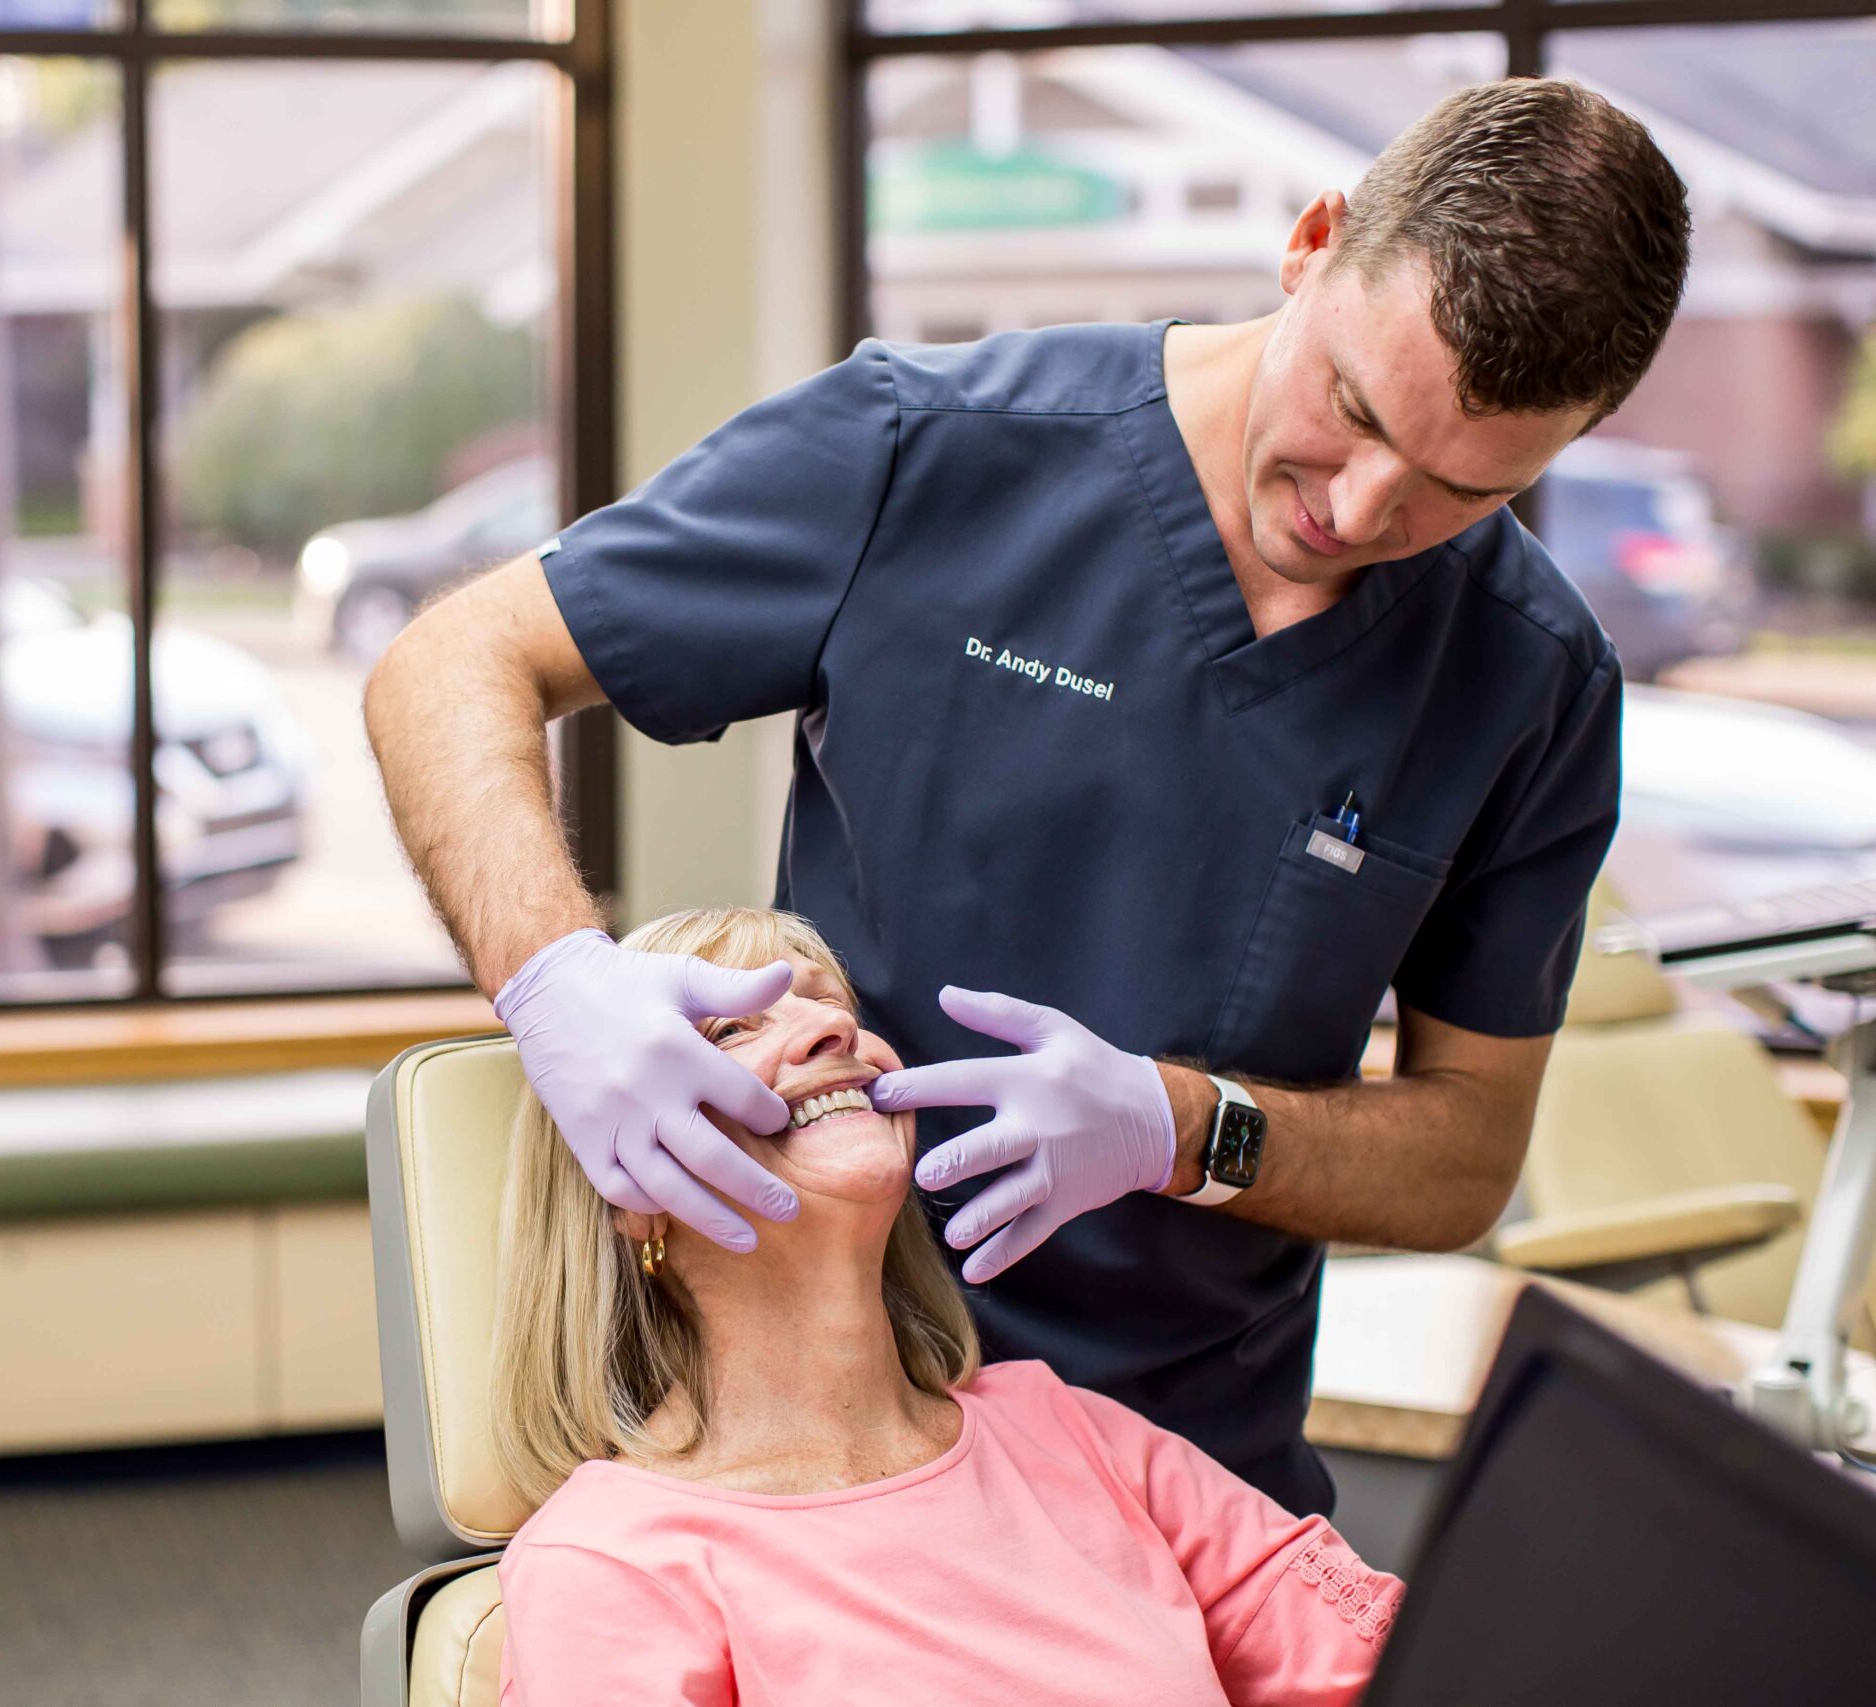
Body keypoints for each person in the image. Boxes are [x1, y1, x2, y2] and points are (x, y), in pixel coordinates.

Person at [367, 76, 1692, 1512]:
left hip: (1192, 1479)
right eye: (1354, 409)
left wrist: (1188, 1127)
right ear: (1313, 241)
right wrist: (556, 977)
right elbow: (452, 663)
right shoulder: (925, 453)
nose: (1360, 511)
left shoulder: (1532, 677)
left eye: (1457, 486)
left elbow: (1465, 1156)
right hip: (826, 1445)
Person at [489, 906, 1402, 1706]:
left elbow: (1409, 1668)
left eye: (830, 1003)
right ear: (627, 1184)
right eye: (730, 1029)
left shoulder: (1070, 1435)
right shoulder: (611, 1566)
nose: (828, 1032)